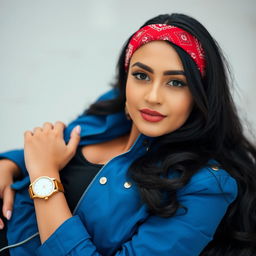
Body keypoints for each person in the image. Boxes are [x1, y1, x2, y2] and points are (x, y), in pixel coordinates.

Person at [0, 12, 256, 256]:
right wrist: (8, 166)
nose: (152, 97)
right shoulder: (109, 112)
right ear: (126, 78)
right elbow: (44, 151)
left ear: (201, 93)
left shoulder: (205, 188)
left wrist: (45, 180)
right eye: (141, 75)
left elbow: (43, 163)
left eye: (176, 82)